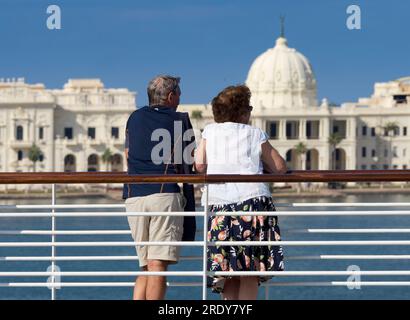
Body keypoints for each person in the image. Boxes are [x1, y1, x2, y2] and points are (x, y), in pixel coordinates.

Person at [195, 85, 287, 300]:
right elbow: (280, 167)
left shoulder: (209, 131)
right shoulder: (255, 133)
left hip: (219, 207)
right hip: (252, 205)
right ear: (243, 112)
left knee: (226, 269)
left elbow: (199, 166)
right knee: (249, 271)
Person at [124, 75, 196, 300]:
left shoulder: (134, 118)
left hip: (134, 196)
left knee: (146, 266)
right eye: (179, 94)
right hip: (164, 194)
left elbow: (128, 153)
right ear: (171, 96)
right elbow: (189, 160)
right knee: (157, 265)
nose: (180, 98)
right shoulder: (179, 119)